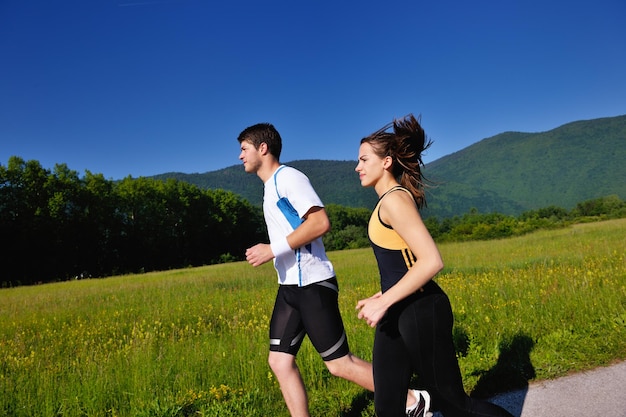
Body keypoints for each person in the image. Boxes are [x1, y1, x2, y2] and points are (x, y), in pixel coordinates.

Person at [237, 122, 430, 417]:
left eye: (244, 149)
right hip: (290, 286)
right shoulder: (269, 187)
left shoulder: (288, 178)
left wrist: (271, 249)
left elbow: (319, 223)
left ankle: (412, 400)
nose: (240, 156)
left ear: (263, 148)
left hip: (312, 283)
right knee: (279, 361)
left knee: (339, 364)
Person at [355, 114, 515, 417]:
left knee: (455, 405)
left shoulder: (394, 200)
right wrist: (383, 297)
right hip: (396, 311)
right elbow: (401, 263)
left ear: (386, 162)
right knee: (387, 405)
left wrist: (385, 299)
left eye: (364, 160)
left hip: (421, 310)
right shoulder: (386, 201)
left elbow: (431, 260)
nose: (357, 167)